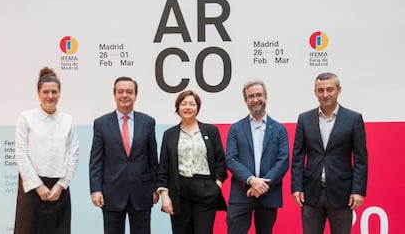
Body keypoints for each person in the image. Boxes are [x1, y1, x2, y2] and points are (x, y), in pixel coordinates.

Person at [291, 72, 368, 234]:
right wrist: (296, 187)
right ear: (315, 92)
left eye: (329, 89)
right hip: (311, 194)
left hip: (342, 193)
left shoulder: (354, 119)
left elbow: (361, 159)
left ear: (339, 90)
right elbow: (297, 157)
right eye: (321, 90)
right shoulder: (304, 119)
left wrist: (358, 190)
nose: (325, 94)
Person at [89, 76, 159, 234]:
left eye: (129, 91)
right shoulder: (101, 123)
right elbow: (96, 160)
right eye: (120, 91)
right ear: (114, 95)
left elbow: (152, 159)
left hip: (142, 192)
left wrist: (156, 188)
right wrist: (96, 189)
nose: (125, 95)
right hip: (111, 192)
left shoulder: (148, 122)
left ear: (135, 95)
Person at [14, 67, 79, 234]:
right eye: (46, 92)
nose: (50, 96)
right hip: (32, 189)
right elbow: (21, 154)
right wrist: (38, 186)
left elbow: (73, 155)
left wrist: (61, 185)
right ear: (38, 93)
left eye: (54, 92)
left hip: (59, 189)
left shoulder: (68, 120)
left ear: (60, 93)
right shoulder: (26, 118)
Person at [156, 90, 227, 234]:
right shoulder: (169, 134)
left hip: (206, 190)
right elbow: (164, 167)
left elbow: (221, 162)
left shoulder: (211, 131)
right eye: (184, 104)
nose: (188, 107)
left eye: (192, 104)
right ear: (178, 108)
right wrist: (164, 195)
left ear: (197, 108)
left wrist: (216, 186)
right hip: (179, 191)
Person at [226, 79, 289, 234]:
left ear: (266, 97)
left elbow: (283, 161)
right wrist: (252, 180)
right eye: (251, 96)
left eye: (259, 95)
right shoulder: (236, 129)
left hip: (269, 193)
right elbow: (231, 159)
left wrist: (262, 185)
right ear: (245, 100)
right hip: (241, 193)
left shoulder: (279, 129)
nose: (255, 99)